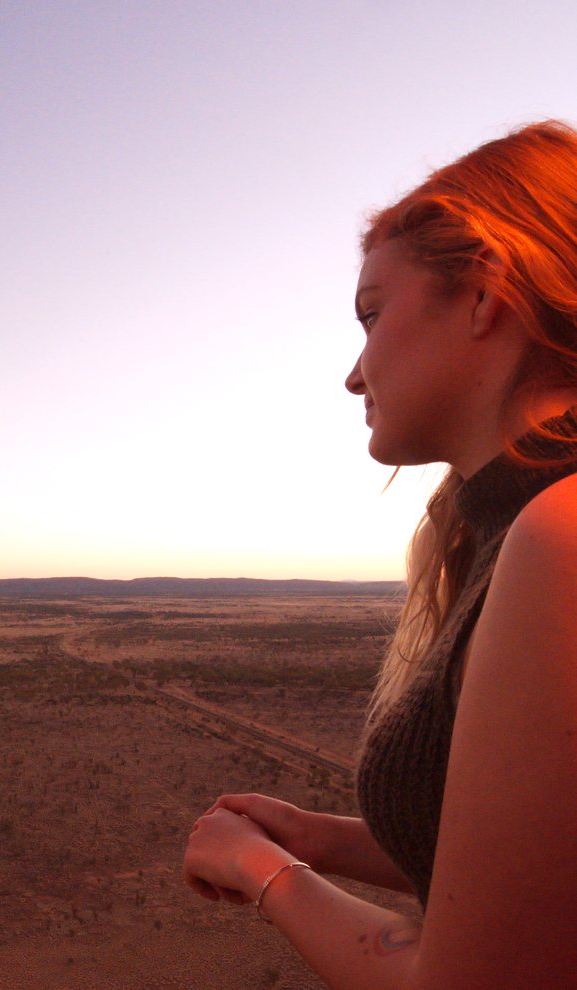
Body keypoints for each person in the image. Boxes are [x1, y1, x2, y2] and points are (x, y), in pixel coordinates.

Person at [182, 119, 577, 989]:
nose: (354, 375)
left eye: (371, 314)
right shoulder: (518, 531)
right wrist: (322, 838)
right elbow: (536, 873)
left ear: (484, 291)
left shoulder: (559, 540)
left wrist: (268, 875)